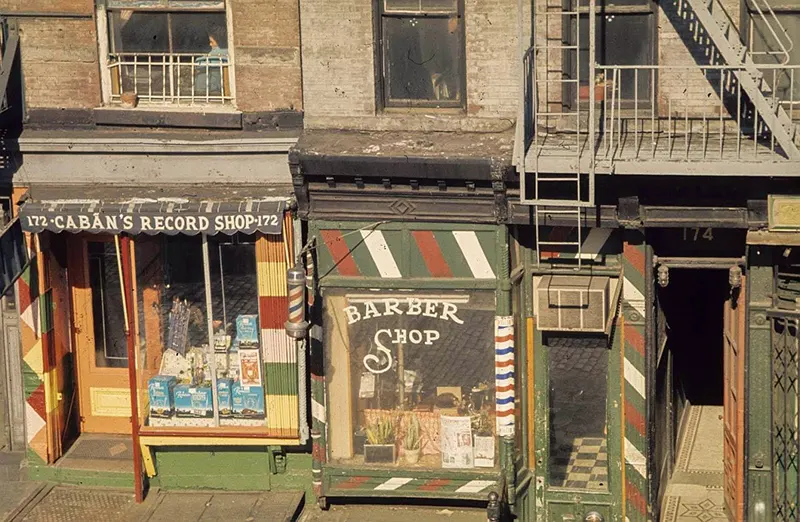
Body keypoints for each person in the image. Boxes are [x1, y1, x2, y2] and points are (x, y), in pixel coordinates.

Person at [194, 24, 229, 98]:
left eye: (212, 42)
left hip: (208, 89)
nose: (210, 44)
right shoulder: (228, 52)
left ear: (219, 41)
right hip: (217, 89)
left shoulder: (216, 54)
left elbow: (199, 62)